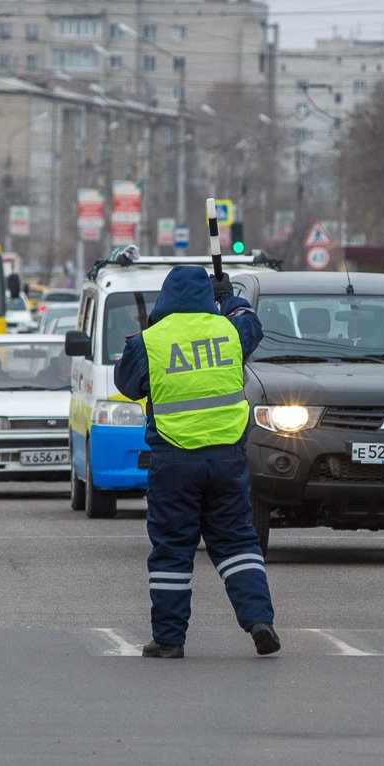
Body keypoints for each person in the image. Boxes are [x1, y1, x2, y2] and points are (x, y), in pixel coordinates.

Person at [115, 265, 279, 659]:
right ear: (207, 298)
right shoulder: (229, 332)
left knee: (173, 548)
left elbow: (126, 383)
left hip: (174, 459)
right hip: (227, 457)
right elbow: (251, 324)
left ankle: (170, 640)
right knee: (238, 541)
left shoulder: (150, 342)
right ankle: (260, 621)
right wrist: (228, 298)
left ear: (165, 299)